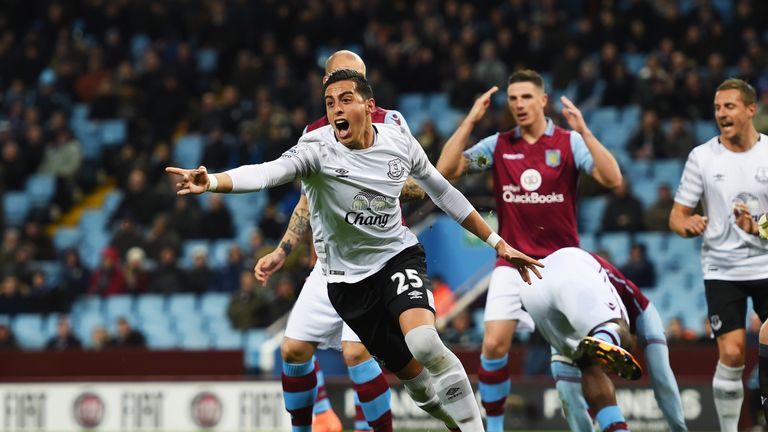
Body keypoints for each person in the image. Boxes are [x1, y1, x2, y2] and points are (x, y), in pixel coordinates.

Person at [167, 69, 543, 432]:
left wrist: (499, 243)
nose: (336, 110)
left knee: (425, 341)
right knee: (418, 385)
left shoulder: (398, 141)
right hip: (346, 284)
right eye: (330, 103)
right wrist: (213, 181)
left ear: (368, 106)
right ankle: (451, 422)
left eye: (345, 100)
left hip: (396, 257)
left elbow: (442, 192)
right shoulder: (316, 150)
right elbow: (266, 173)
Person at [435, 69, 622, 432]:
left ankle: (608, 425)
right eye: (513, 98)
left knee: (585, 358)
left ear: (542, 100)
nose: (518, 104)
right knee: (492, 345)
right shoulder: (499, 145)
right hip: (513, 261)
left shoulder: (569, 143)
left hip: (563, 263)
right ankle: (496, 428)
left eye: (525, 97)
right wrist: (471, 120)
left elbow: (613, 179)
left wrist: (585, 131)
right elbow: (446, 169)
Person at [254, 50, 420, 432]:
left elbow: (416, 184)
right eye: (336, 81)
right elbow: (306, 198)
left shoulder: (393, 124)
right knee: (293, 350)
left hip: (378, 260)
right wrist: (283, 250)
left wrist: (379, 182)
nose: (344, 89)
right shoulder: (314, 134)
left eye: (353, 80)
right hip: (330, 265)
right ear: (324, 86)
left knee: (357, 350)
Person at [670, 78, 768, 432]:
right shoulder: (703, 157)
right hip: (722, 270)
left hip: (766, 266)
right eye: (717, 108)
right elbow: (676, 217)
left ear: (750, 109)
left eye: (729, 106)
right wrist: (688, 225)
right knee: (731, 355)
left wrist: (756, 227)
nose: (721, 114)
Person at [551, 252, 688, 431]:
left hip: (637, 312)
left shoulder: (610, 288)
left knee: (661, 374)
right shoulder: (562, 297)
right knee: (565, 386)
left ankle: (679, 429)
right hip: (583, 316)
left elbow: (621, 326)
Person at [521, 247, 641, 432]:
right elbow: (629, 330)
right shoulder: (616, 282)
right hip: (568, 267)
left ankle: (618, 430)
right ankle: (603, 339)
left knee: (588, 365)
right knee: (621, 330)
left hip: (529, 285)